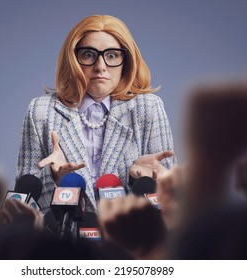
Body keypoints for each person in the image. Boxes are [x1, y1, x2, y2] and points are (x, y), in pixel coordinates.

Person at [17, 15, 175, 213]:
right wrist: (55, 179)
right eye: (89, 55)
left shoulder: (148, 108)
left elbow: (170, 198)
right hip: (62, 239)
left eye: (112, 55)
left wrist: (141, 179)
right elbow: (25, 195)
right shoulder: (40, 111)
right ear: (73, 59)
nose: (100, 66)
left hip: (127, 237)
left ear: (126, 61)